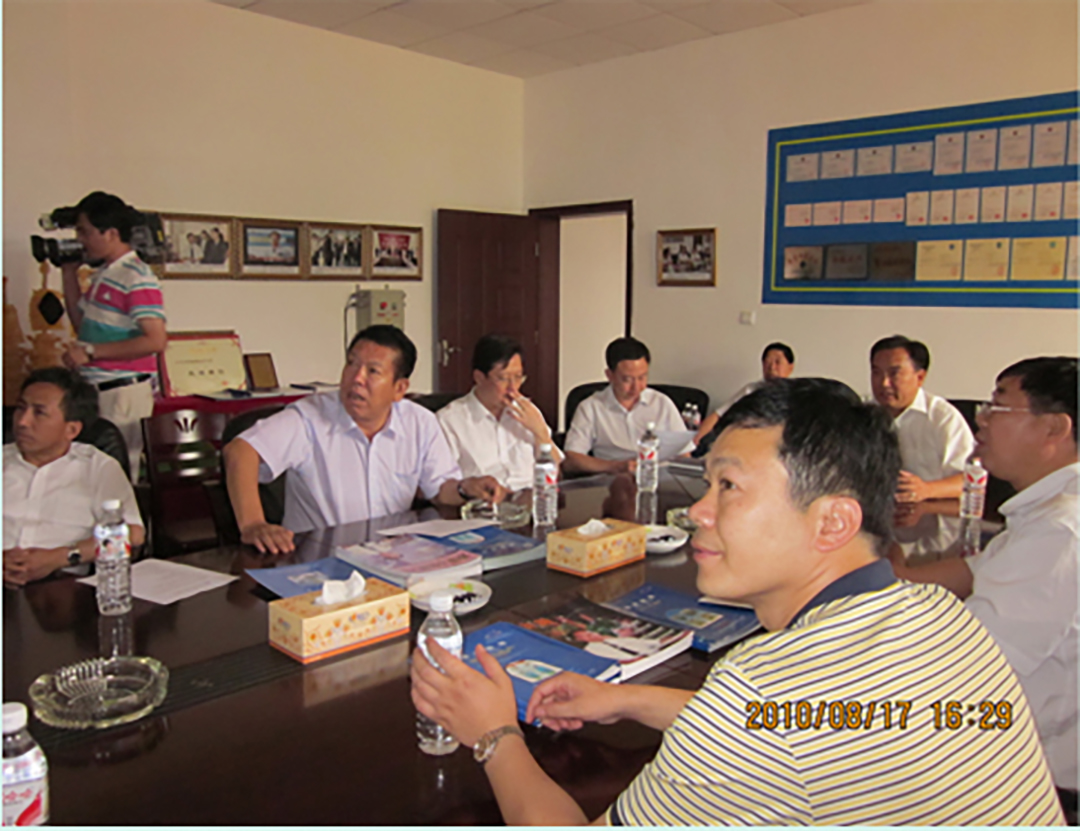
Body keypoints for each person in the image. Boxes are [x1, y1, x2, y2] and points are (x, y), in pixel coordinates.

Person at [411, 378, 1063, 825]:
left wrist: (494, 734)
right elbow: (824, 720)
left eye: (728, 486)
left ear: (833, 522)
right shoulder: (938, 616)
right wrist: (627, 699)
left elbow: (760, 724)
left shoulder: (755, 688)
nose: (698, 510)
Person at [892, 357, 1077, 821]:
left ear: (1054, 427)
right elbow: (976, 570)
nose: (982, 419)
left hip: (1036, 779)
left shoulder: (1061, 531)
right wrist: (896, 576)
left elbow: (968, 661)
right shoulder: (1047, 511)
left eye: (998, 406)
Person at [223, 325, 506, 554]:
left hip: (393, 558)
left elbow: (440, 490)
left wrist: (467, 488)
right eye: (351, 364)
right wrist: (253, 524)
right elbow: (240, 451)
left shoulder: (419, 423)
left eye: (372, 371)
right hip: (320, 562)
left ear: (399, 388)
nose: (356, 378)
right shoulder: (310, 417)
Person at [60, 191, 167, 481]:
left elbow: (155, 341)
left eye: (85, 231)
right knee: (88, 473)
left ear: (111, 233)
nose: (80, 239)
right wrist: (68, 273)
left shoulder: (136, 276)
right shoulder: (106, 273)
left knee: (115, 476)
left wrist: (91, 352)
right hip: (95, 389)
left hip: (121, 392)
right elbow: (81, 324)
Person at [3, 368, 143, 586]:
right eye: (21, 408)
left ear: (72, 429)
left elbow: (132, 536)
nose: (22, 422)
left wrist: (60, 557)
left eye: (39, 412)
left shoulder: (97, 468)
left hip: (63, 588)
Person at [437, 334, 561, 492]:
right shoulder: (449, 421)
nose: (512, 388)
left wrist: (541, 433)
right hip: (484, 503)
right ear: (479, 377)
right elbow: (441, 486)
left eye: (518, 377)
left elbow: (555, 472)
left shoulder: (528, 412)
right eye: (503, 378)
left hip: (532, 500)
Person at [870, 334, 974, 503]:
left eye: (894, 374)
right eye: (876, 373)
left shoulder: (942, 417)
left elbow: (970, 479)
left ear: (920, 377)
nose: (883, 383)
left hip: (931, 509)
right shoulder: (862, 414)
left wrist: (926, 489)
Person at [563, 337, 685, 474]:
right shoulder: (591, 408)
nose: (636, 387)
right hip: (612, 479)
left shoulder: (662, 403)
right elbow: (572, 458)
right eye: (627, 380)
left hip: (658, 477)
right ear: (610, 375)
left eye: (642, 377)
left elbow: (684, 454)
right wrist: (615, 467)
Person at [694, 341, 795, 443]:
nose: (772, 367)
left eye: (777, 362)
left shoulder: (797, 394)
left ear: (790, 367)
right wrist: (695, 442)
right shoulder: (751, 390)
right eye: (767, 362)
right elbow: (718, 415)